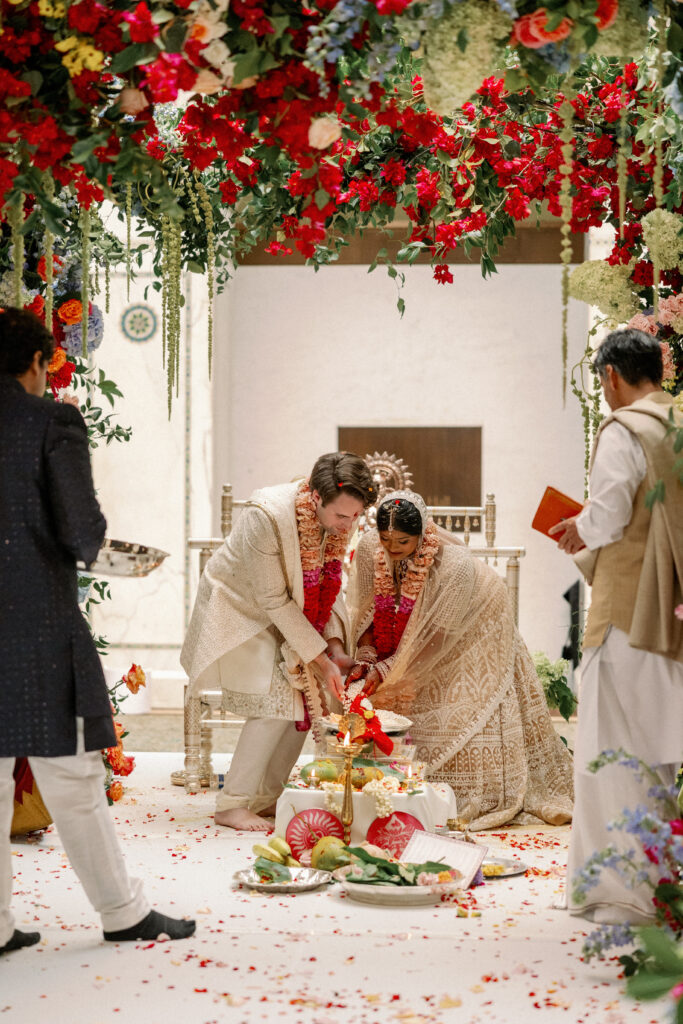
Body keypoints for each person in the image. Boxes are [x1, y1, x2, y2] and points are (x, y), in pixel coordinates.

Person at [0, 307, 195, 954]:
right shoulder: (50, 420)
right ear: (35, 365)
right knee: (73, 778)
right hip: (33, 629)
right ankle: (121, 912)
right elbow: (83, 534)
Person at [549, 328, 683, 924]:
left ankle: (622, 897)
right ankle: (664, 886)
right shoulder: (676, 424)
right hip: (671, 611)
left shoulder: (625, 430)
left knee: (613, 751)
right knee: (660, 752)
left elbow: (605, 514)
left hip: (630, 613)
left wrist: (576, 528)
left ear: (610, 377)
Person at [346, 489, 574, 829]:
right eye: (385, 539)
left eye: (403, 542)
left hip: (474, 620)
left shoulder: (455, 567)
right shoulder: (369, 547)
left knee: (455, 694)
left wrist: (389, 667)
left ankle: (457, 783)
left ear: (422, 536)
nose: (392, 549)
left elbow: (436, 639)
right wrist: (366, 653)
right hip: (426, 622)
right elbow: (365, 610)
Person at [181, 452, 376, 831]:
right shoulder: (264, 516)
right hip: (241, 610)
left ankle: (266, 798)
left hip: (289, 613)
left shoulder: (336, 520)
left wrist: (333, 646)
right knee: (275, 703)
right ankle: (232, 805)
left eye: (356, 516)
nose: (349, 525)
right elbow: (272, 599)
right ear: (316, 498)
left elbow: (328, 585)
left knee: (299, 706)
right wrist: (320, 660)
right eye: (342, 516)